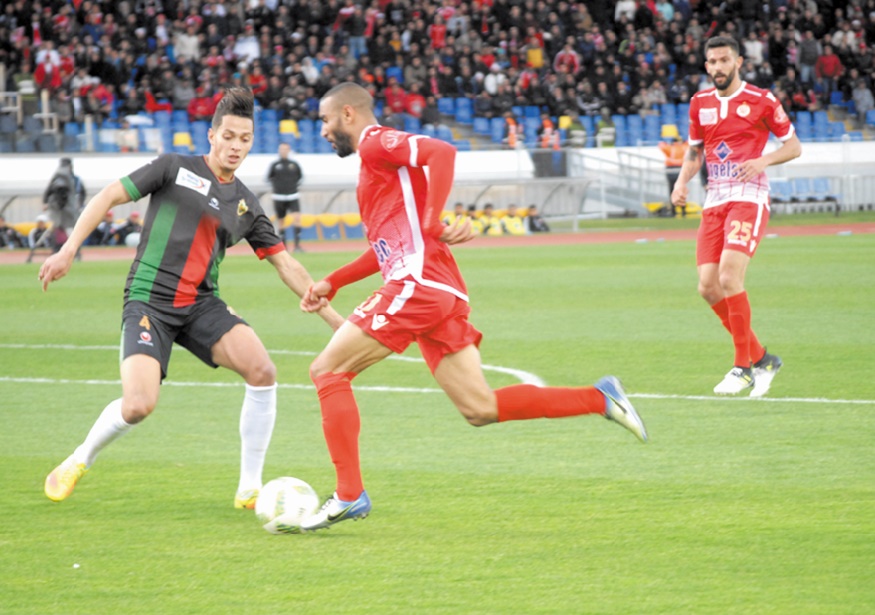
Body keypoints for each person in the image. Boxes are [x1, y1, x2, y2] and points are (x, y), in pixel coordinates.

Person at [297, 82, 647, 531]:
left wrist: (431, 218)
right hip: (437, 287)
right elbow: (384, 249)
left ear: (348, 114)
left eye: (325, 120)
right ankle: (599, 397)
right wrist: (333, 281)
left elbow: (441, 152)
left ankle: (349, 495)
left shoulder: (374, 142)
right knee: (479, 408)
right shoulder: (376, 171)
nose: (322, 130)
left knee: (327, 372)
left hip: (418, 283)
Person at [38, 88, 344, 508]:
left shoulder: (246, 206)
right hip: (149, 301)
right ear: (212, 135)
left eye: (245, 139)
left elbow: (287, 264)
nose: (237, 146)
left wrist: (335, 321)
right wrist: (68, 249)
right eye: (230, 136)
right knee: (139, 404)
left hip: (201, 304)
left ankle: (249, 488)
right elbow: (110, 194)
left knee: (262, 371)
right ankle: (78, 459)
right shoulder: (172, 167)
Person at [671, 36, 802, 397]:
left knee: (730, 277)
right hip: (714, 201)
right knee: (707, 287)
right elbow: (694, 151)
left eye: (724, 60)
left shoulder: (761, 100)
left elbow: (793, 146)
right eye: (711, 62)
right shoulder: (700, 103)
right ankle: (763, 359)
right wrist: (682, 183)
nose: (717, 68)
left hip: (749, 197)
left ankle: (742, 367)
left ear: (739, 62)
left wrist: (762, 160)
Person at [266, 143, 305, 252]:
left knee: (297, 218)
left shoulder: (294, 164)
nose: (283, 151)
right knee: (281, 221)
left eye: (285, 149)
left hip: (293, 195)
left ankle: (297, 246)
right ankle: (284, 246)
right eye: (281, 149)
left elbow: (300, 177)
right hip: (279, 197)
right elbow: (269, 178)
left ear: (289, 150)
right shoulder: (275, 165)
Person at [658, 125, 687, 217]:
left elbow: (661, 145)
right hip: (681, 170)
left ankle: (674, 211)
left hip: (670, 170)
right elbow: (689, 144)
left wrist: (663, 138)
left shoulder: (670, 148)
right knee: (681, 190)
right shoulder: (683, 147)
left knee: (671, 190)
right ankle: (683, 210)